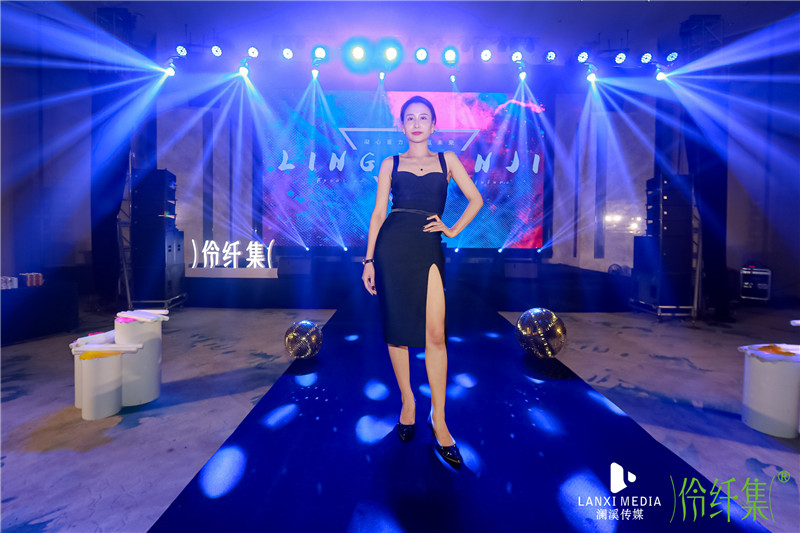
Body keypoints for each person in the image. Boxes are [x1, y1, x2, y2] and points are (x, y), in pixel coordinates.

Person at [361, 96, 483, 467]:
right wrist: (368, 260)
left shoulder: (447, 160)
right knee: (398, 330)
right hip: (392, 248)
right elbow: (379, 213)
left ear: (433, 125)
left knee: (435, 334)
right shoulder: (390, 163)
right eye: (410, 118)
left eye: (423, 117)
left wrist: (452, 229)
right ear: (401, 125)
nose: (416, 123)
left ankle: (439, 419)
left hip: (428, 248)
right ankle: (408, 403)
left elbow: (476, 199)